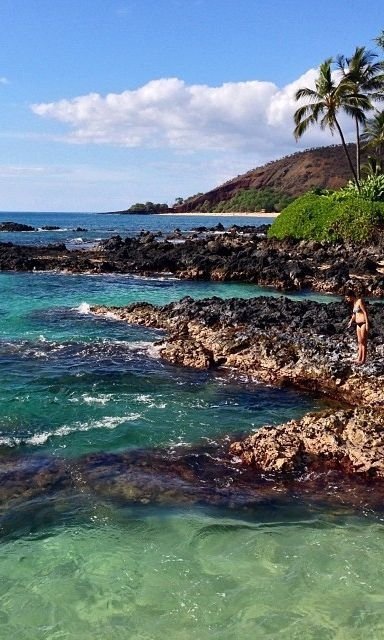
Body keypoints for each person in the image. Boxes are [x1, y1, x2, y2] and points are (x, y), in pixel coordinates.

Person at [345, 289, 369, 364]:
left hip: (363, 323)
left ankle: (363, 360)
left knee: (363, 342)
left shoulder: (360, 301)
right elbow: (354, 314)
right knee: (359, 342)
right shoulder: (354, 303)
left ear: (351, 296)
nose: (347, 299)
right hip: (358, 324)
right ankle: (359, 358)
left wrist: (367, 323)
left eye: (347, 297)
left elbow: (365, 312)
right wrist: (350, 321)